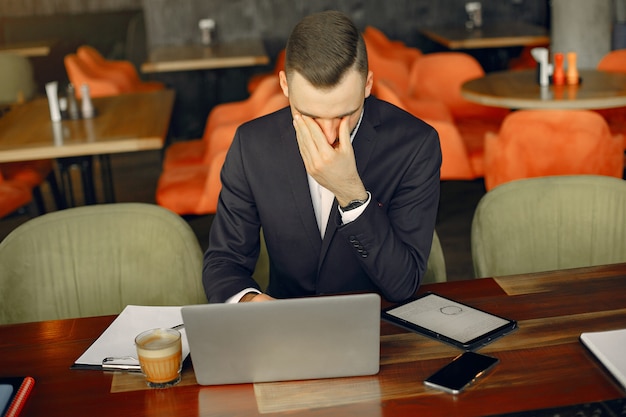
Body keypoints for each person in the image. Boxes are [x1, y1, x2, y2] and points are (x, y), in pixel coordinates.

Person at [203, 10, 441, 303]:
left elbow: (403, 284)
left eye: (345, 114)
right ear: (285, 86)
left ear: (367, 84)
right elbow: (224, 263)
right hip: (285, 324)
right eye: (310, 115)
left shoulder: (416, 145)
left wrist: (351, 194)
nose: (329, 135)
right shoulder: (252, 145)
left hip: (379, 328)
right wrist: (250, 302)